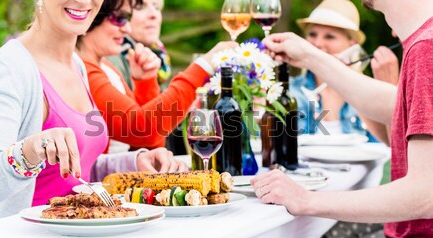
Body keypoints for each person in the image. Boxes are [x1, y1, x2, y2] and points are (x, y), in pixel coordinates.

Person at [0, 0, 186, 218]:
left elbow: (74, 169)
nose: (82, 1)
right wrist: (31, 149)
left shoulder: (76, 64)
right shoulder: (8, 69)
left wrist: (134, 162)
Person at [252, 0, 433, 236]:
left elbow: (425, 195)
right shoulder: (424, 42)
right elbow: (392, 104)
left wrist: (306, 200)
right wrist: (309, 56)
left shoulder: (426, 49)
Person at [76, 0, 237, 153]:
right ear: (92, 18)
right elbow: (142, 129)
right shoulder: (85, 71)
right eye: (119, 19)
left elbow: (150, 143)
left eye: (127, 19)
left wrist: (145, 81)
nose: (127, 29)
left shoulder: (106, 67)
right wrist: (203, 67)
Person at [290, 0, 386, 143]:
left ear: (352, 45)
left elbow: (385, 150)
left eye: (329, 36)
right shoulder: (290, 91)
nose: (317, 43)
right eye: (312, 34)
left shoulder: (368, 94)